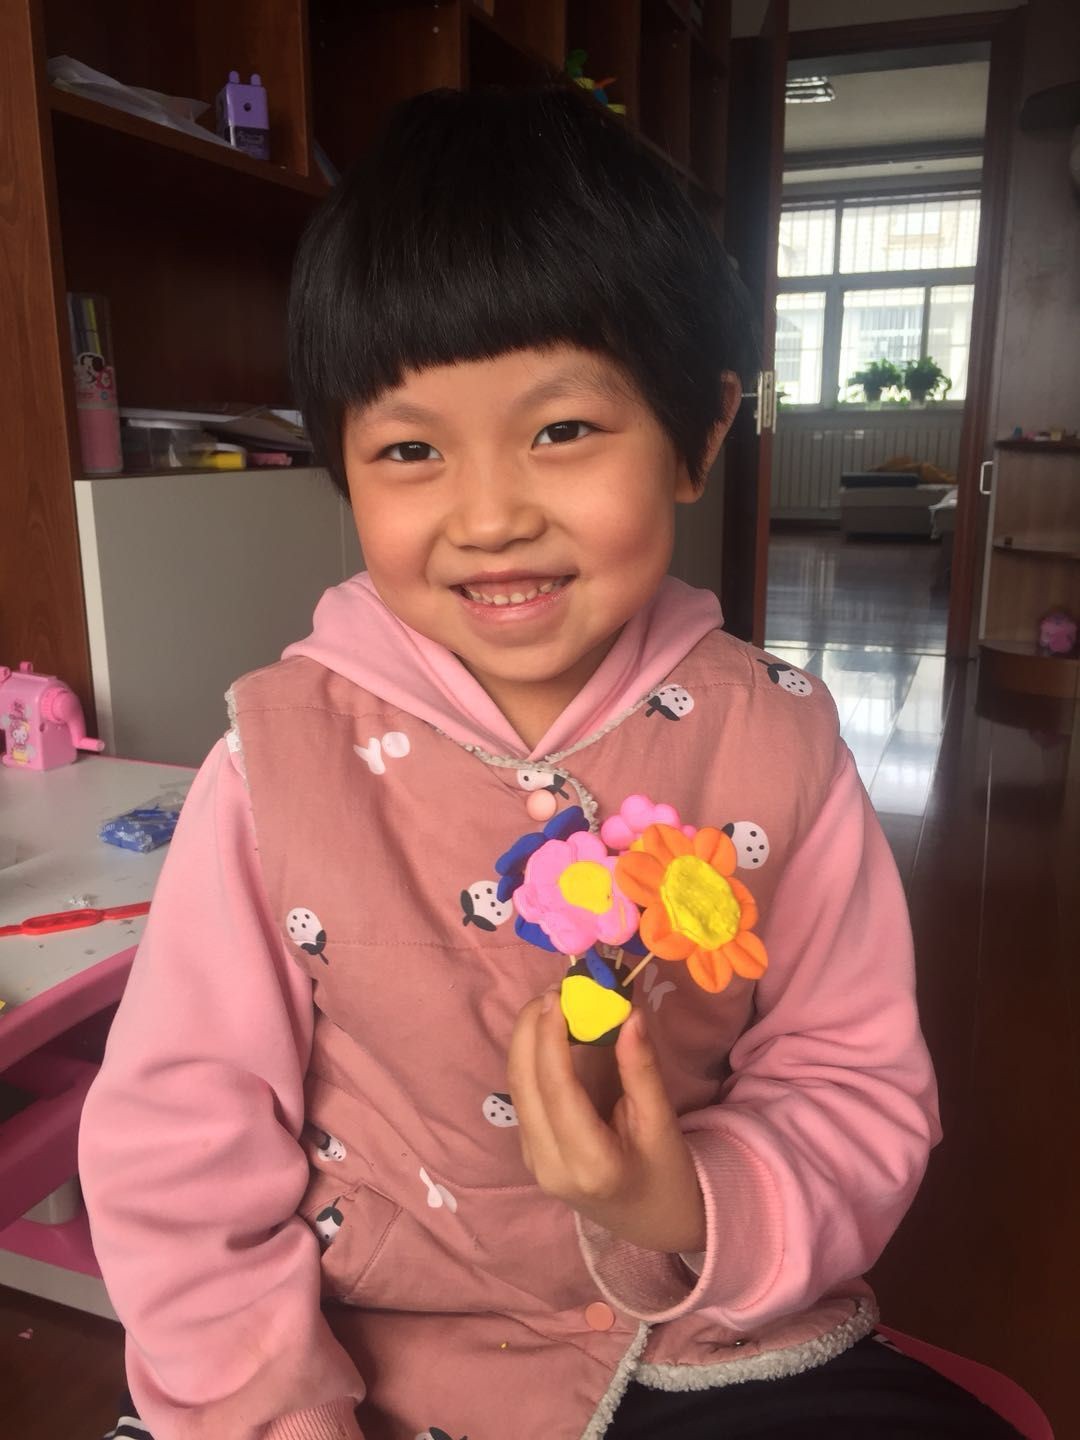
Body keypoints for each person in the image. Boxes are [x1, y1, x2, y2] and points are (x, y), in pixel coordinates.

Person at [80, 85, 1018, 1440]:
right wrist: (269, 1407)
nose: (489, 515)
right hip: (357, 1351)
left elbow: (852, 1080)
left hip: (688, 1329)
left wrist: (686, 1201)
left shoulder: (780, 738)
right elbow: (181, 1137)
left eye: (562, 430)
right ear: (342, 467)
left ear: (701, 433)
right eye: (411, 449)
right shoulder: (276, 765)